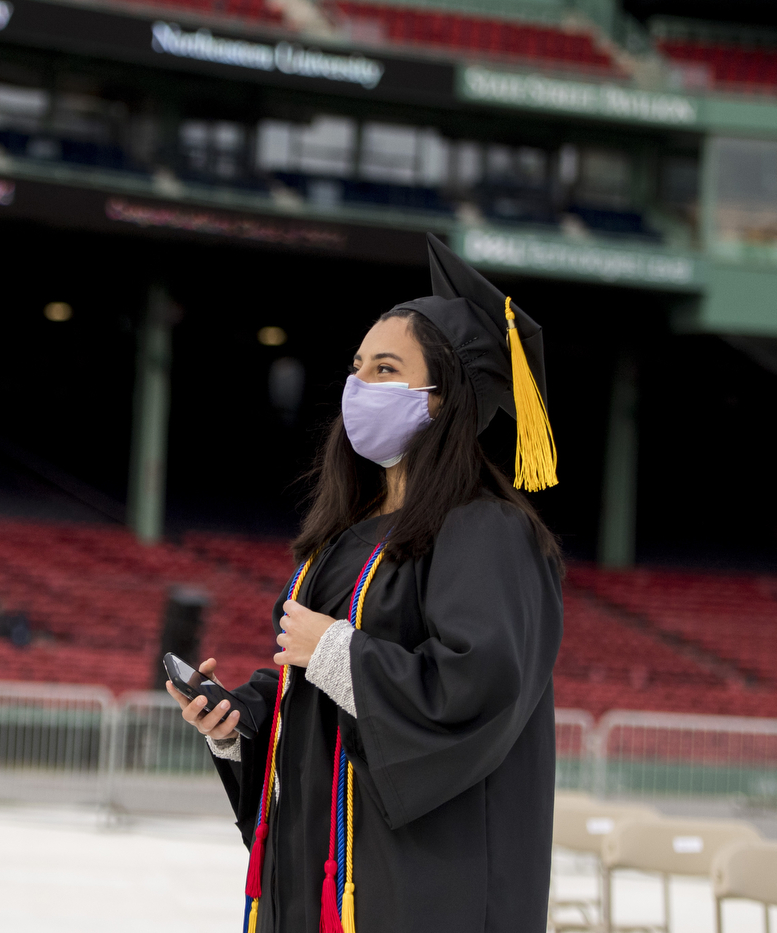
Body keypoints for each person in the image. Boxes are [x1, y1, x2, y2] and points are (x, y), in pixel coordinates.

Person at [167, 234, 564, 932]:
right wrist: (242, 723)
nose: (359, 385)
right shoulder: (347, 540)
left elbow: (475, 690)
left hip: (424, 892)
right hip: (322, 883)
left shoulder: (487, 531)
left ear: (443, 398)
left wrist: (334, 652)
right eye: (357, 367)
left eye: (386, 368)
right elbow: (322, 706)